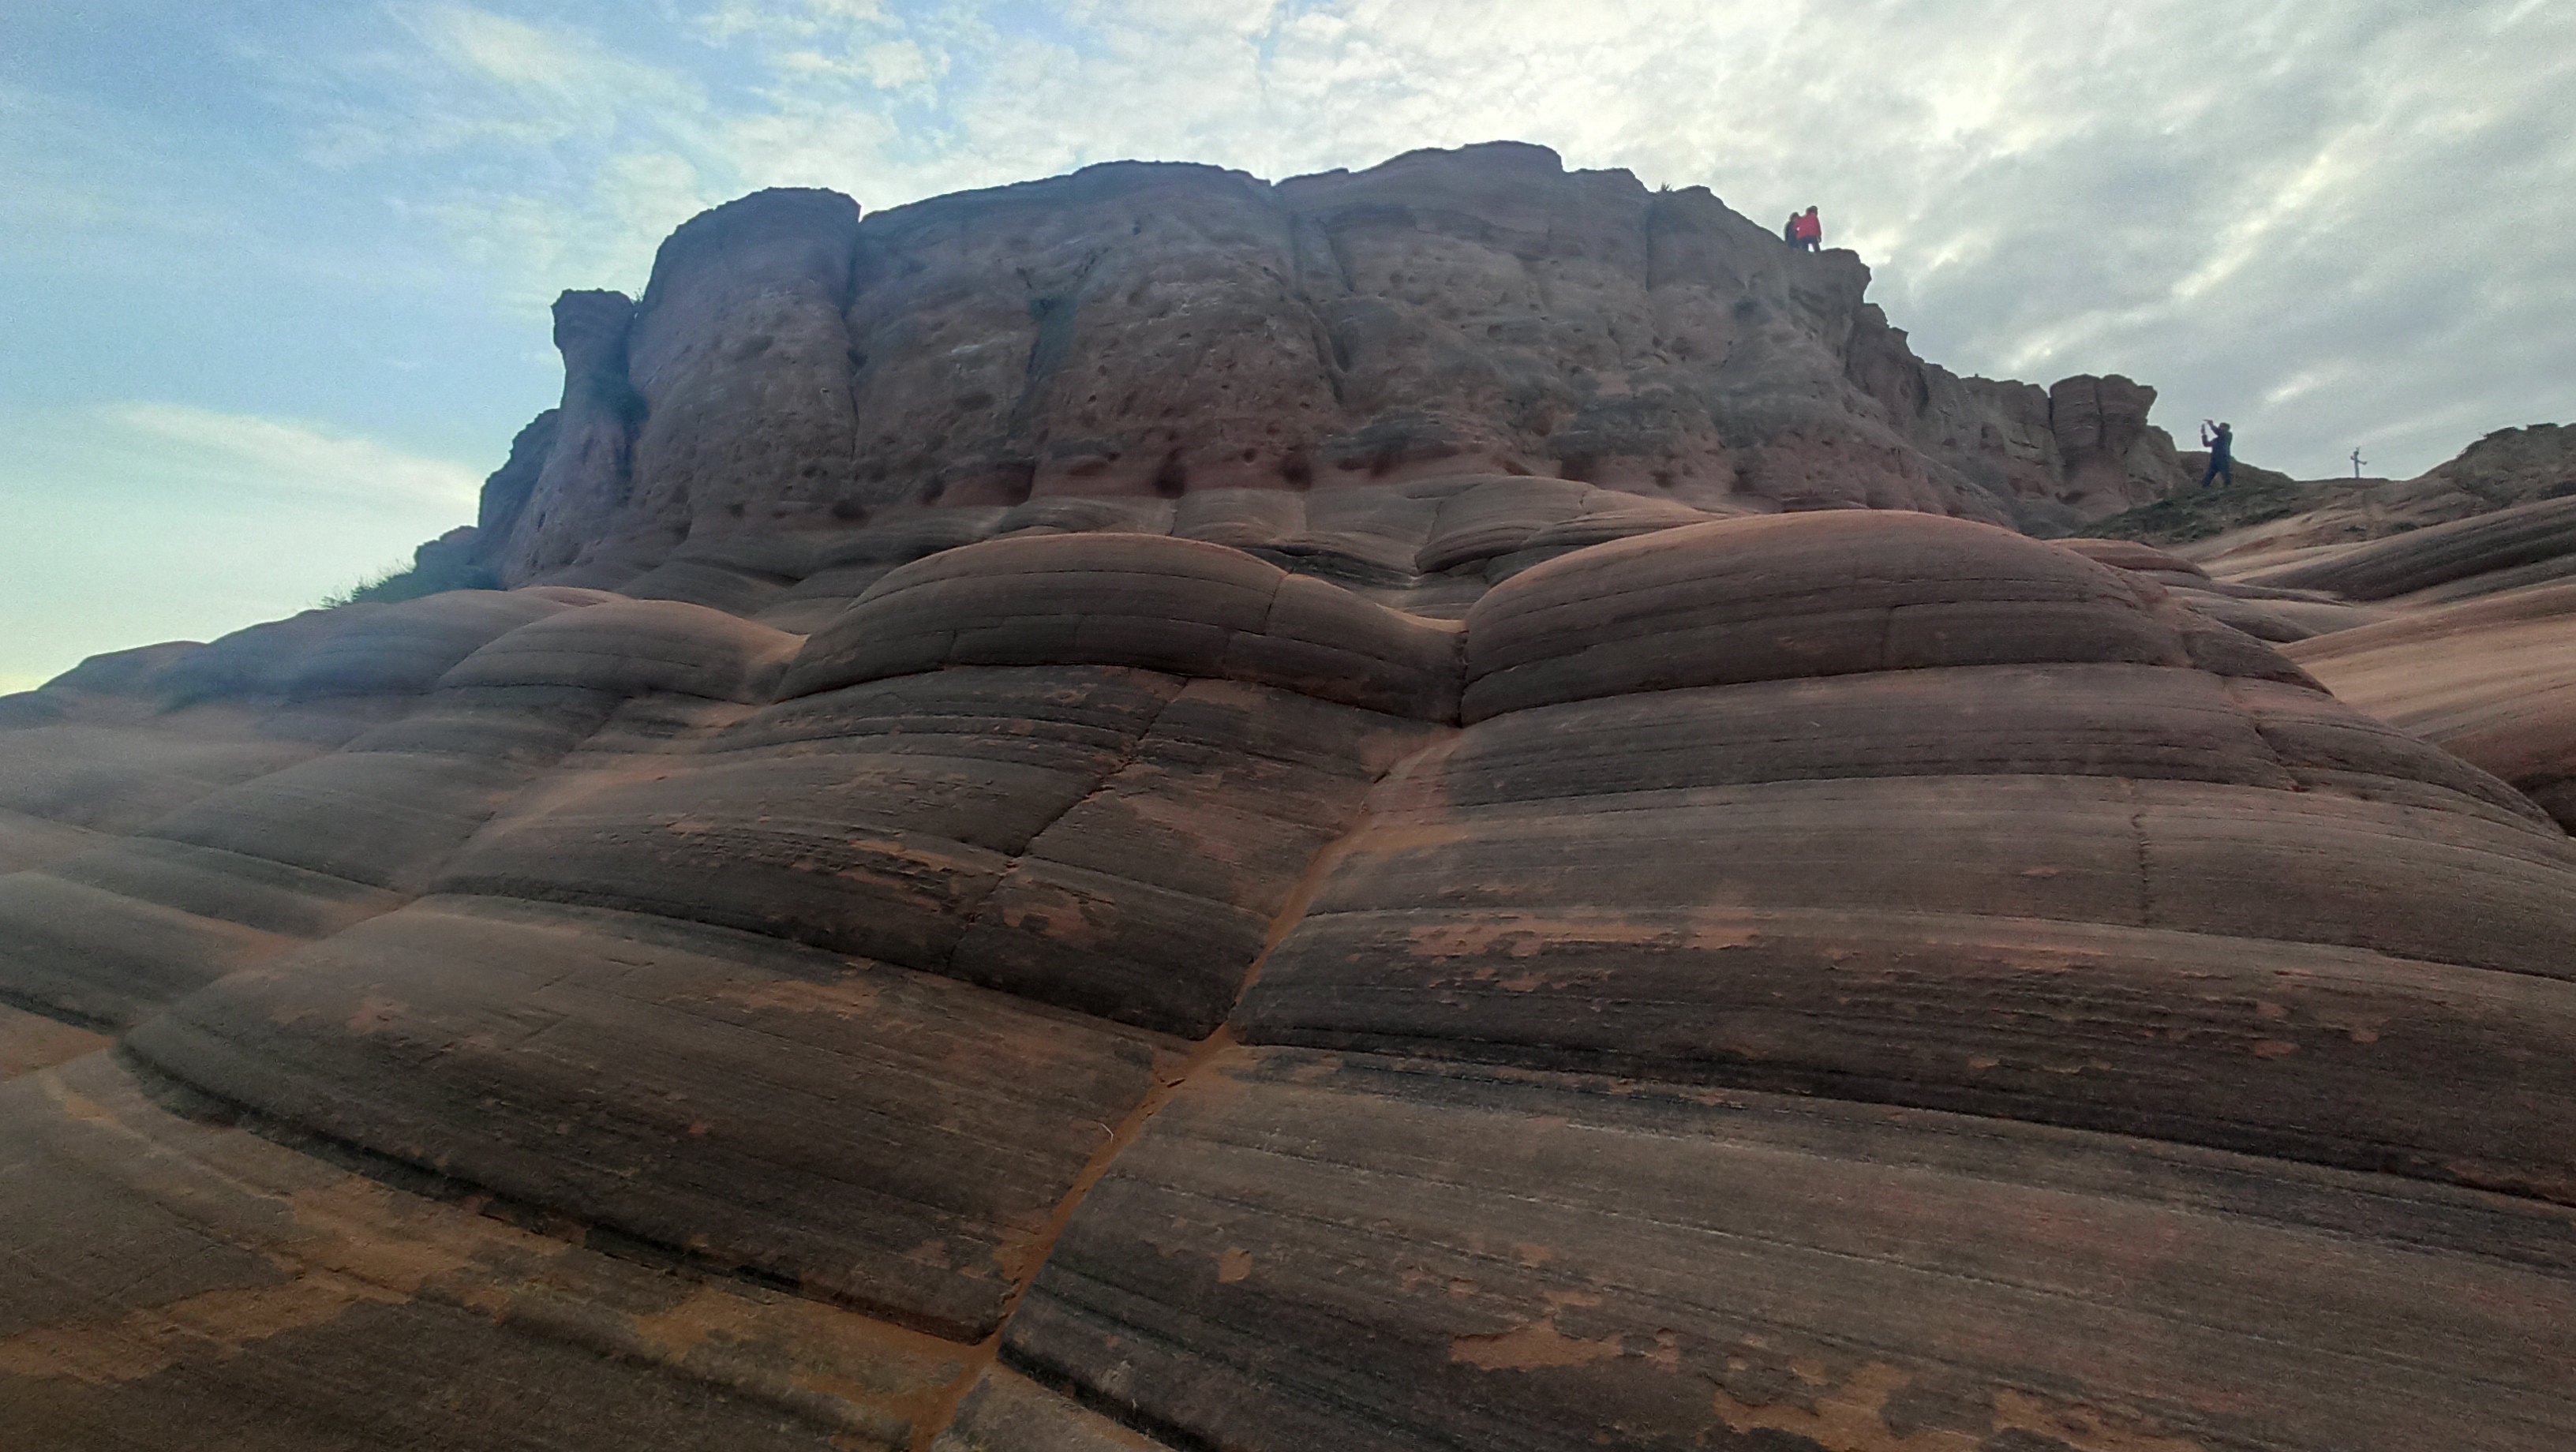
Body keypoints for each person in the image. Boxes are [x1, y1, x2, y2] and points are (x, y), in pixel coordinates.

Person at [2200, 421, 2234, 488]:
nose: (2220, 428)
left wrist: (2211, 425)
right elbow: (2206, 444)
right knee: (2210, 475)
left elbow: (2218, 432)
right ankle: (2204, 488)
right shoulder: (2216, 440)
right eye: (2220, 427)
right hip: (2215, 459)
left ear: (2226, 428)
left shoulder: (2228, 435)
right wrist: (2204, 434)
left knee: (2226, 473)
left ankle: (2228, 487)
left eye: (2222, 427)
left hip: (2223, 458)